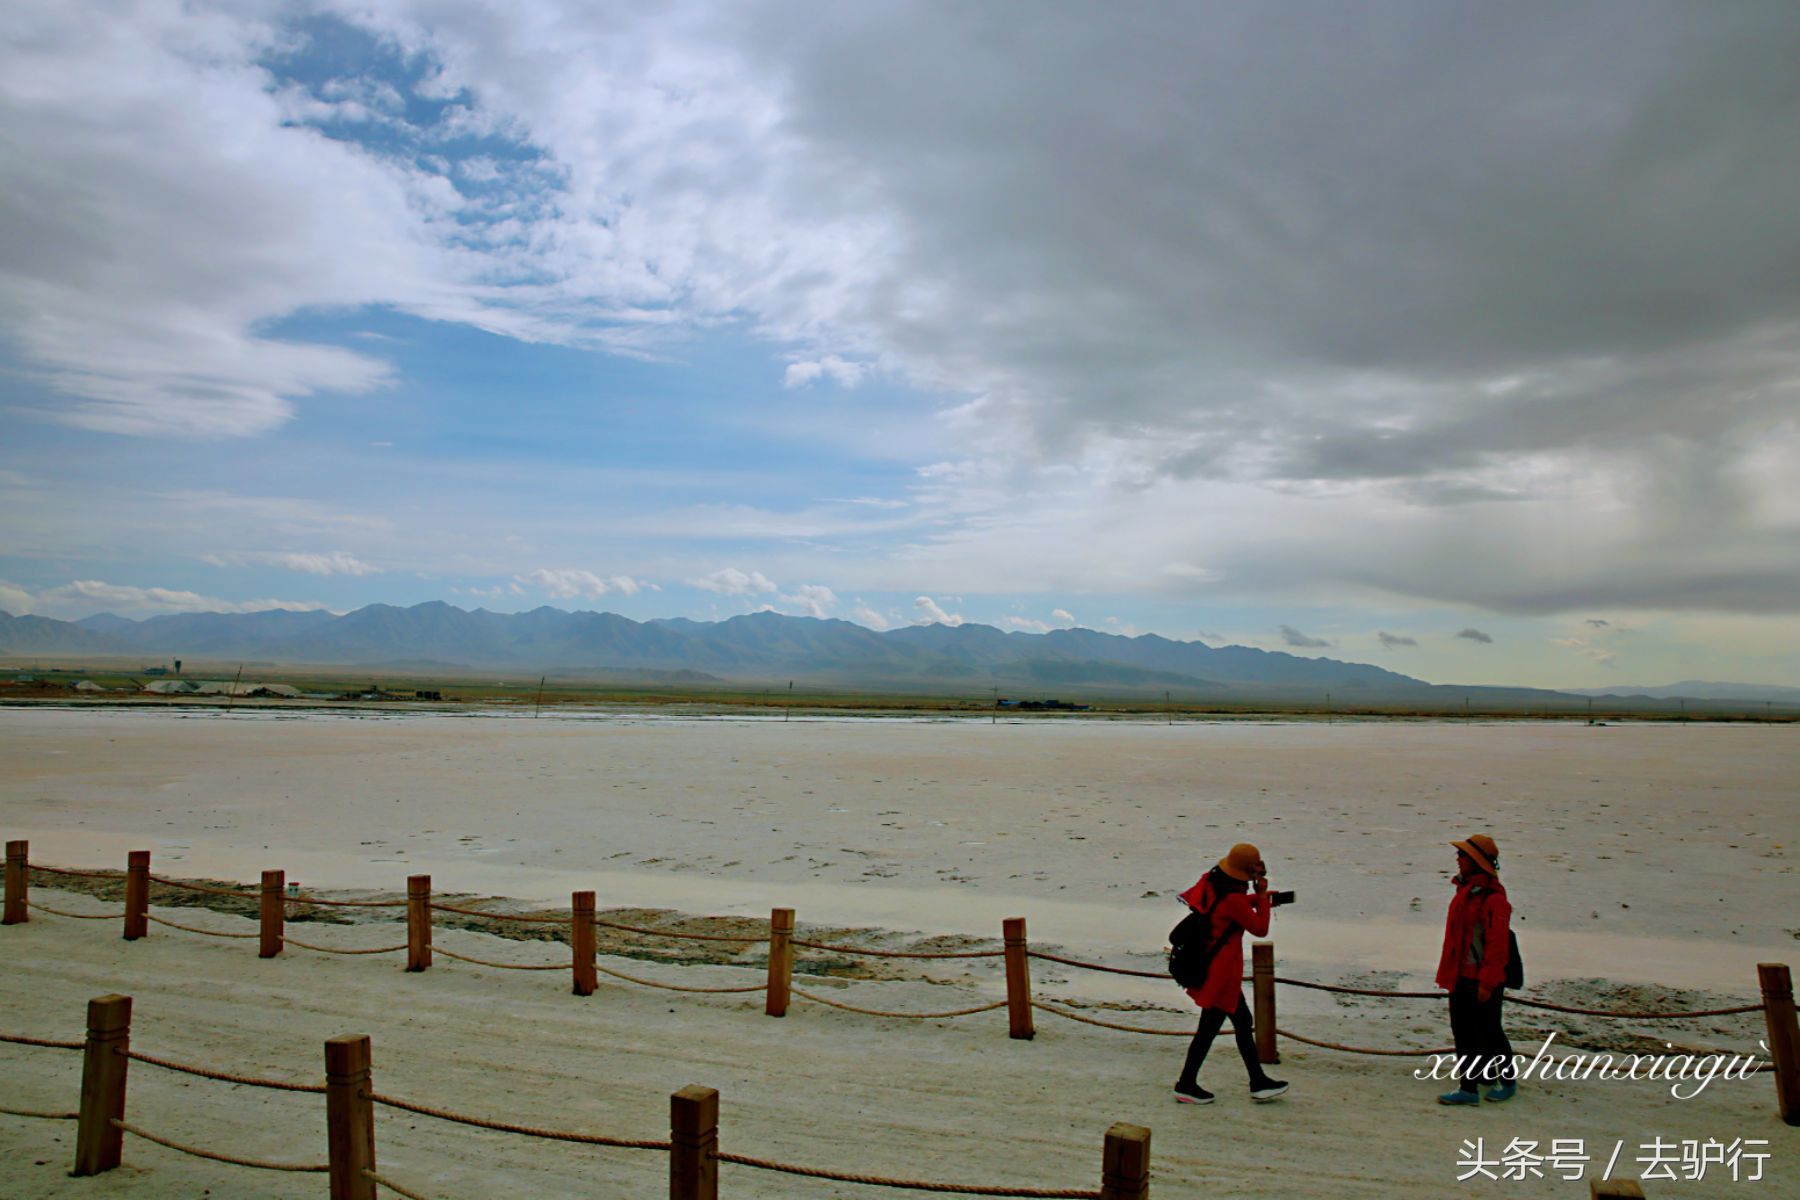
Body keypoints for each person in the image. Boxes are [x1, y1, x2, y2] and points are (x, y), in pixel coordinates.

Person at [1172, 842, 1289, 1104]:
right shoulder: (1234, 897)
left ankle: (1258, 1081)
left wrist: (1260, 900)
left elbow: (1223, 907)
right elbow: (1260, 928)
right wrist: (1261, 896)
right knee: (1209, 1030)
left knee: (1242, 1023)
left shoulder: (1212, 881)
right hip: (1222, 974)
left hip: (1217, 969)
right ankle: (1186, 1084)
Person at [1435, 833, 1516, 1105]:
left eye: (1463, 855)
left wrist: (1488, 982)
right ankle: (1472, 1084)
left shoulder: (1492, 899)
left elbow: (1497, 946)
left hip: (1480, 978)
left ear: (1476, 861)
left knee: (1490, 1031)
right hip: (1460, 975)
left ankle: (1504, 1079)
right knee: (1464, 1032)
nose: (1457, 859)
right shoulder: (1466, 890)